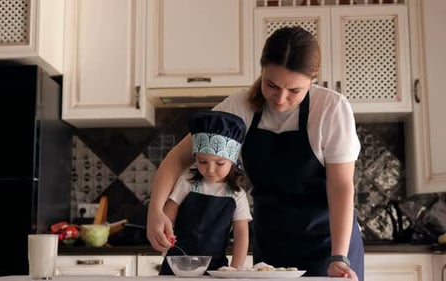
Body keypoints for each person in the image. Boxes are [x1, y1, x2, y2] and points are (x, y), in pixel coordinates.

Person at [147, 26, 364, 281]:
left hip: (329, 246)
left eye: (294, 91)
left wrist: (339, 256)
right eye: (271, 84)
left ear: (312, 81)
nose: (280, 99)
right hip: (271, 246)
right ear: (261, 71)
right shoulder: (240, 107)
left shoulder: (331, 108)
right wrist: (156, 212)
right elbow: (178, 157)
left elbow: (340, 187)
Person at [158, 110, 253, 275]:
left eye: (219, 163)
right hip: (178, 263)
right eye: (202, 161)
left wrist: (235, 270)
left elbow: (241, 234)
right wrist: (164, 232)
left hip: (215, 268)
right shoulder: (187, 181)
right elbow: (169, 211)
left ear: (232, 161)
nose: (210, 169)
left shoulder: (237, 194)